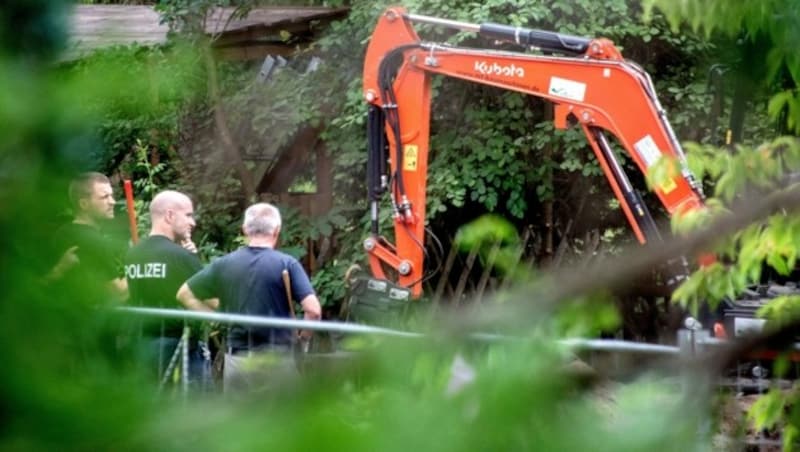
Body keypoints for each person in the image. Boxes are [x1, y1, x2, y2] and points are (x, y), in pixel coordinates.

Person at [177, 202, 322, 392]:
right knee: (284, 420)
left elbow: (184, 294)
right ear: (277, 230)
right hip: (278, 359)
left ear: (245, 230)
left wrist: (218, 318)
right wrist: (303, 340)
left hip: (237, 360)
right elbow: (313, 310)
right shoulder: (287, 263)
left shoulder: (223, 264)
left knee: (240, 420)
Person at [124, 190, 211, 385]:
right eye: (188, 215)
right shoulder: (180, 257)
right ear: (170, 215)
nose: (193, 222)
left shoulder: (133, 254)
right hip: (178, 347)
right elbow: (208, 295)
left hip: (141, 344)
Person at [52, 172, 127, 302]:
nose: (112, 202)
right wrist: (140, 267)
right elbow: (118, 292)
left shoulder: (62, 233)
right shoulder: (94, 241)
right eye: (104, 197)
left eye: (111, 196)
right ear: (84, 204)